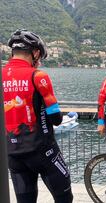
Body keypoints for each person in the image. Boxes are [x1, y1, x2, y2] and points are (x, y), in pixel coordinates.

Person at [2, 29, 73, 203]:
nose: (39, 60)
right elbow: (56, 118)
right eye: (39, 56)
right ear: (34, 52)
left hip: (12, 153)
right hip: (43, 151)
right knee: (64, 198)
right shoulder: (38, 76)